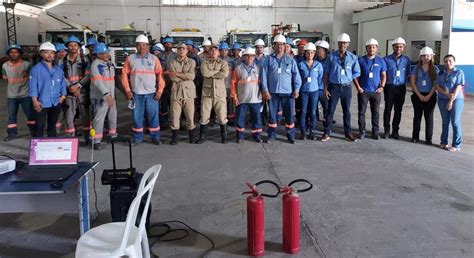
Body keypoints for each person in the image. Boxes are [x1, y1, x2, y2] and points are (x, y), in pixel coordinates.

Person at [121, 35, 165, 145]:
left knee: (153, 116)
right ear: (136, 46)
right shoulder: (130, 59)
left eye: (144, 45)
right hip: (136, 94)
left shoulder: (154, 59)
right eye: (139, 45)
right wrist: (127, 90)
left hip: (152, 94)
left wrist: (159, 90)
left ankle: (155, 137)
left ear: (148, 46)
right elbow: (124, 75)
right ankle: (137, 138)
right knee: (137, 117)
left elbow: (160, 75)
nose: (142, 47)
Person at [261, 34, 302, 144]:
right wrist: (265, 90)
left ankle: (290, 136)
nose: (280, 47)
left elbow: (296, 76)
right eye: (277, 44)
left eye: (282, 44)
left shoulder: (291, 60)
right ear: (274, 45)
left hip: (287, 93)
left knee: (289, 116)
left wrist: (296, 89)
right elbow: (264, 76)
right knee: (272, 116)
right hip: (272, 93)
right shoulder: (268, 60)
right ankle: (271, 136)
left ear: (285, 46)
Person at [322, 33, 360, 142]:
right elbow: (326, 74)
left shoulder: (353, 58)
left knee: (346, 111)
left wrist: (348, 78)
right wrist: (325, 89)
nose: (342, 45)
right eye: (340, 43)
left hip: (346, 87)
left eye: (344, 43)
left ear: (348, 44)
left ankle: (348, 133)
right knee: (330, 111)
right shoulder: (331, 57)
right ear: (338, 44)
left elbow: (357, 72)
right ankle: (327, 132)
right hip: (333, 87)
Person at [28, 42, 67, 137]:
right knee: (40, 125)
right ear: (41, 54)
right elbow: (32, 86)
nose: (49, 55)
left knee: (52, 125)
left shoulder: (58, 70)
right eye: (46, 52)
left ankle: (51, 144)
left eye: (52, 53)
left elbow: (62, 84)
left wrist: (63, 96)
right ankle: (38, 147)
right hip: (42, 102)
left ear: (54, 54)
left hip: (55, 102)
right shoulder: (36, 69)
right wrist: (34, 101)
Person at [197, 44, 229, 144]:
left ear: (218, 52)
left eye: (216, 50)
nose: (214, 51)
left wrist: (211, 73)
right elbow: (205, 73)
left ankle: (224, 136)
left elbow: (224, 74)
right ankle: (202, 136)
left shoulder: (223, 63)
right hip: (207, 93)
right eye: (212, 50)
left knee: (222, 116)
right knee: (204, 115)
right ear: (209, 52)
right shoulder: (204, 62)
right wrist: (217, 72)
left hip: (220, 93)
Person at [2, 44, 35, 141]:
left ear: (20, 53)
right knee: (11, 115)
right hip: (11, 95)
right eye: (11, 52)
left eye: (16, 52)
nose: (14, 54)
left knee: (30, 115)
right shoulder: (5, 66)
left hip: (25, 94)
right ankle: (12, 134)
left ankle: (34, 133)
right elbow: (6, 79)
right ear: (8, 54)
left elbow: (31, 79)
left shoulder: (27, 65)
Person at [355, 38, 387, 140]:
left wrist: (382, 87)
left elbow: (384, 75)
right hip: (363, 91)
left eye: (373, 47)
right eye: (369, 47)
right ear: (366, 49)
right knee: (361, 112)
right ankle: (362, 131)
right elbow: (355, 76)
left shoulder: (381, 61)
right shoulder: (360, 60)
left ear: (376, 48)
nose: (371, 49)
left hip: (376, 92)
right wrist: (358, 88)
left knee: (376, 113)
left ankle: (375, 132)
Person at [230, 47, 263, 143]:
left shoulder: (258, 68)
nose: (249, 58)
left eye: (251, 56)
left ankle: (256, 135)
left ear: (254, 57)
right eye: (247, 56)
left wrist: (262, 94)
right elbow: (233, 83)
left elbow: (262, 83)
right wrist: (234, 96)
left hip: (255, 98)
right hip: (242, 99)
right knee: (240, 118)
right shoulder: (238, 68)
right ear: (243, 57)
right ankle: (240, 136)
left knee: (256, 118)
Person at [63, 35, 92, 142]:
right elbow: (61, 76)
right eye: (70, 45)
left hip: (82, 92)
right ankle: (70, 140)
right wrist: (70, 86)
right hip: (69, 92)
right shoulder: (63, 61)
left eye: (75, 45)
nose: (73, 47)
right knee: (69, 116)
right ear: (67, 47)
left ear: (79, 47)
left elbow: (88, 75)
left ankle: (87, 138)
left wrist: (78, 86)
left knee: (85, 116)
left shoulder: (85, 59)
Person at [168, 43, 198, 145]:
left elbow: (191, 76)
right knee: (175, 116)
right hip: (176, 92)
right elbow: (172, 77)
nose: (181, 50)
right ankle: (174, 137)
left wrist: (177, 74)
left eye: (183, 49)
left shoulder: (191, 62)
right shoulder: (172, 62)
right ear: (177, 50)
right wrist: (183, 76)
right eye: (179, 49)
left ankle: (192, 137)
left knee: (190, 116)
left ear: (186, 51)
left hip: (188, 93)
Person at [89, 43, 117, 150]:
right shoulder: (96, 65)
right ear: (98, 54)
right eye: (104, 53)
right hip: (101, 97)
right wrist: (106, 94)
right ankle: (96, 141)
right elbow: (97, 82)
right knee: (98, 119)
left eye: (107, 52)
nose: (107, 54)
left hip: (111, 96)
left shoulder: (110, 64)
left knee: (112, 116)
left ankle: (112, 136)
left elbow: (114, 80)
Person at [383, 37, 411, 139]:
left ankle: (395, 131)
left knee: (398, 110)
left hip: (401, 88)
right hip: (389, 87)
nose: (398, 48)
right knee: (388, 109)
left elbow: (408, 74)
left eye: (400, 46)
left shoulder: (407, 60)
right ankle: (386, 130)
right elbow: (383, 74)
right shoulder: (386, 59)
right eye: (396, 46)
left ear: (403, 47)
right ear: (393, 47)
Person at [436, 54, 465, 152]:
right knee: (445, 121)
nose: (448, 63)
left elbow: (458, 86)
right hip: (442, 99)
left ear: (454, 62)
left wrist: (451, 100)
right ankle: (444, 142)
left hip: (457, 99)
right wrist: (446, 95)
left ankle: (456, 145)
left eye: (450, 61)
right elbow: (438, 86)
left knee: (455, 122)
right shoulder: (440, 73)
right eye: (446, 61)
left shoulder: (459, 72)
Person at [410, 46, 438, 145]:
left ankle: (428, 139)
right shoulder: (416, 69)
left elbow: (436, 84)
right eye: (423, 56)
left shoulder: (435, 69)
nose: (425, 57)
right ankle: (415, 137)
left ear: (431, 57)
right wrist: (419, 95)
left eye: (428, 55)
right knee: (417, 116)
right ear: (420, 57)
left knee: (429, 117)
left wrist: (429, 95)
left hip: (431, 95)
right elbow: (413, 83)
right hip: (417, 95)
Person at [296, 42, 323, 140]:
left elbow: (320, 78)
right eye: (308, 52)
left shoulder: (318, 65)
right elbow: (298, 78)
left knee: (312, 112)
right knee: (303, 111)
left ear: (314, 53)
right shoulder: (300, 65)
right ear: (305, 53)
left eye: (312, 53)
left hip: (314, 91)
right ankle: (303, 132)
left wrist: (316, 87)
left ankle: (312, 131)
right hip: (303, 91)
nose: (310, 55)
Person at [219, 42, 236, 125]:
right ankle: (221, 118)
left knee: (230, 103)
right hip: (219, 86)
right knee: (220, 103)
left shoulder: (231, 61)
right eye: (222, 50)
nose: (224, 52)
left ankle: (231, 119)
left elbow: (234, 74)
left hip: (229, 85)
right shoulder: (217, 60)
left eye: (225, 50)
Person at [315, 40, 330, 124]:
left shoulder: (329, 61)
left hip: (325, 88)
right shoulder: (314, 60)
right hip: (315, 88)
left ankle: (326, 122)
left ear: (324, 50)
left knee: (326, 107)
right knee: (313, 107)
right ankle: (314, 122)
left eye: (319, 49)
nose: (317, 51)